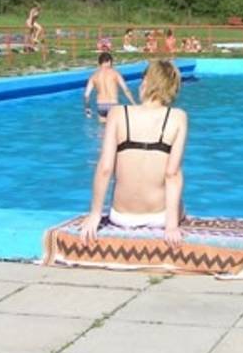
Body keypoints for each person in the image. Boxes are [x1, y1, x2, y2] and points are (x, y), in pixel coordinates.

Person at [80, 60, 189, 248]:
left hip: (121, 216)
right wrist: (171, 226)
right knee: (182, 206)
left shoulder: (117, 113)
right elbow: (172, 174)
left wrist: (95, 214)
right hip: (160, 217)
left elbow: (105, 168)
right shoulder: (178, 117)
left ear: (146, 82)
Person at [84, 51, 137, 120]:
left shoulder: (94, 76)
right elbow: (126, 90)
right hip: (113, 104)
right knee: (115, 125)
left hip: (101, 105)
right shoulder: (115, 73)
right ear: (109, 61)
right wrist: (134, 104)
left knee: (103, 126)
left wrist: (88, 109)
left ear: (100, 62)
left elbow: (86, 95)